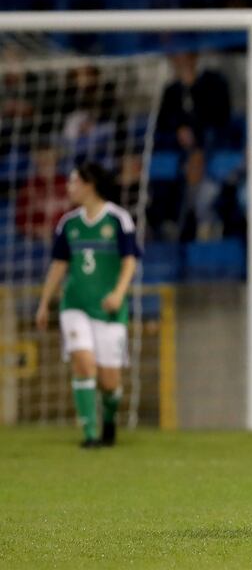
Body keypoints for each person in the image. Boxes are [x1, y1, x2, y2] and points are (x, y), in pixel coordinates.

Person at [35, 162, 140, 448]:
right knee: (83, 364)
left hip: (108, 309)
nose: (68, 188)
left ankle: (108, 415)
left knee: (110, 383)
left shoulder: (118, 219)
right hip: (75, 304)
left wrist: (119, 293)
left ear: (89, 184)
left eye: (72, 182)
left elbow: (130, 260)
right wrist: (44, 303)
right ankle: (90, 434)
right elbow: (59, 265)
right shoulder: (68, 223)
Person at [155, 52, 231, 151]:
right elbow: (163, 122)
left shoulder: (213, 82)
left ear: (193, 58)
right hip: (179, 149)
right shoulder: (171, 91)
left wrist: (195, 131)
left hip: (212, 145)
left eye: (183, 58)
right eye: (175, 59)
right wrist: (179, 129)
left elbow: (221, 117)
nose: (179, 63)